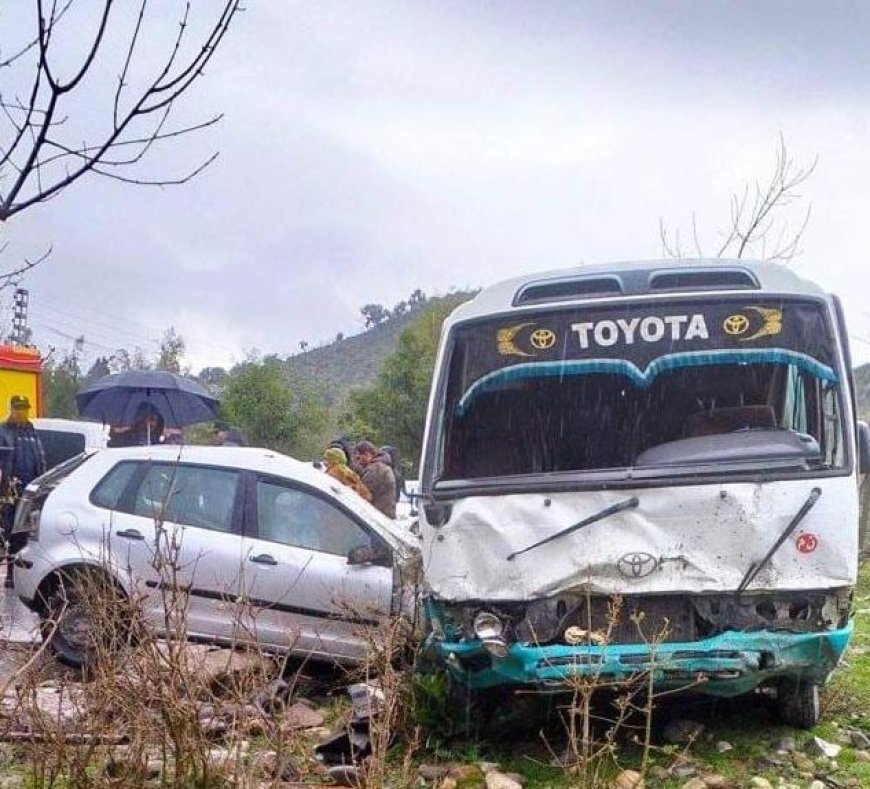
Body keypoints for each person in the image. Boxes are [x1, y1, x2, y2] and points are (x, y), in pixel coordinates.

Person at [0, 395, 46, 586]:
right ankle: (9, 573)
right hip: (9, 492)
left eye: (24, 408)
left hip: (31, 491)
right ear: (11, 409)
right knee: (7, 532)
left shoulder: (32, 431)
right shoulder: (3, 431)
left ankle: (15, 574)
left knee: (23, 533)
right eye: (18, 408)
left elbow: (40, 460)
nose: (21, 412)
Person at [354, 439, 396, 518]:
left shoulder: (376, 469)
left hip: (379, 517)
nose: (358, 462)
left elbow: (362, 492)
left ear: (367, 454)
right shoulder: (381, 467)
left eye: (359, 458)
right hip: (384, 515)